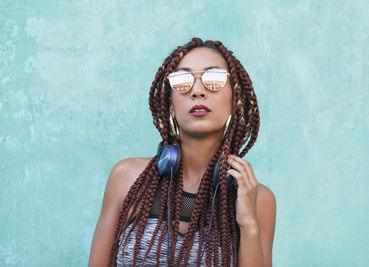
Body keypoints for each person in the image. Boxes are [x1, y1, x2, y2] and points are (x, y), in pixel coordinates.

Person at [88, 37, 276, 267]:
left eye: (214, 79)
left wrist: (247, 223)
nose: (197, 91)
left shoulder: (259, 200)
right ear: (171, 108)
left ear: (235, 101)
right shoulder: (125, 178)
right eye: (182, 82)